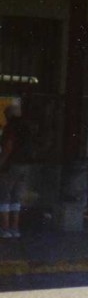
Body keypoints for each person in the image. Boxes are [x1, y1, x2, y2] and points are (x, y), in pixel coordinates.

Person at [0, 99, 30, 239]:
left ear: (9, 115)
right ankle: (15, 228)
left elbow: (8, 146)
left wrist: (1, 162)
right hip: (25, 165)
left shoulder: (10, 128)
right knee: (16, 197)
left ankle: (5, 228)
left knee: (4, 196)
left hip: (11, 165)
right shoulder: (26, 128)